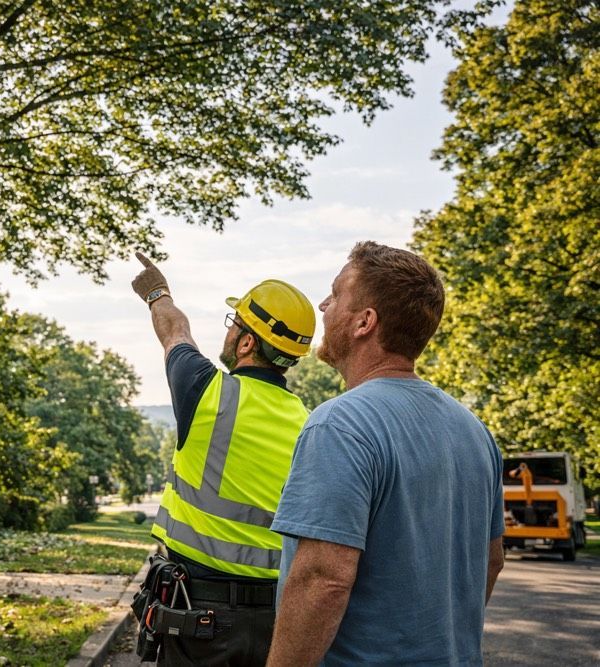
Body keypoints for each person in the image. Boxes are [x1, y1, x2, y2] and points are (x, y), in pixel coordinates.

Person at [267, 241, 505, 666]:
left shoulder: (340, 424)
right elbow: (492, 560)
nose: (323, 305)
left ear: (364, 323)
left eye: (336, 293)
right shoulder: (475, 432)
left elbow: (323, 580)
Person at [130, 251, 316, 666]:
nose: (229, 332)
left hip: (199, 616)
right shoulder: (311, 424)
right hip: (275, 620)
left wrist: (156, 291)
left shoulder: (206, 393)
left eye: (235, 325)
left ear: (248, 342)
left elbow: (174, 330)